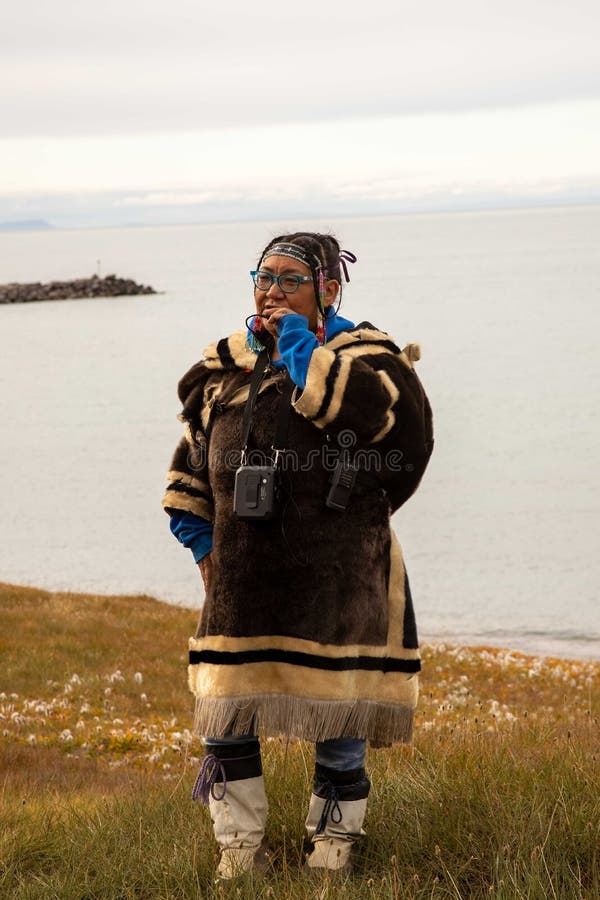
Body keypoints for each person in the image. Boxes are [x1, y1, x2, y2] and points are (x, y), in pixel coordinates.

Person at [162, 231, 433, 879]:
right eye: (263, 277)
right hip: (242, 582)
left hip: (341, 579)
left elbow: (402, 448)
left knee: (337, 715)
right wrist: (207, 550)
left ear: (329, 289)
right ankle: (239, 849)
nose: (271, 290)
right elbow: (191, 472)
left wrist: (305, 355)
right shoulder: (225, 367)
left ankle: (331, 851)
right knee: (226, 717)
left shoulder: (371, 361)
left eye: (290, 280)